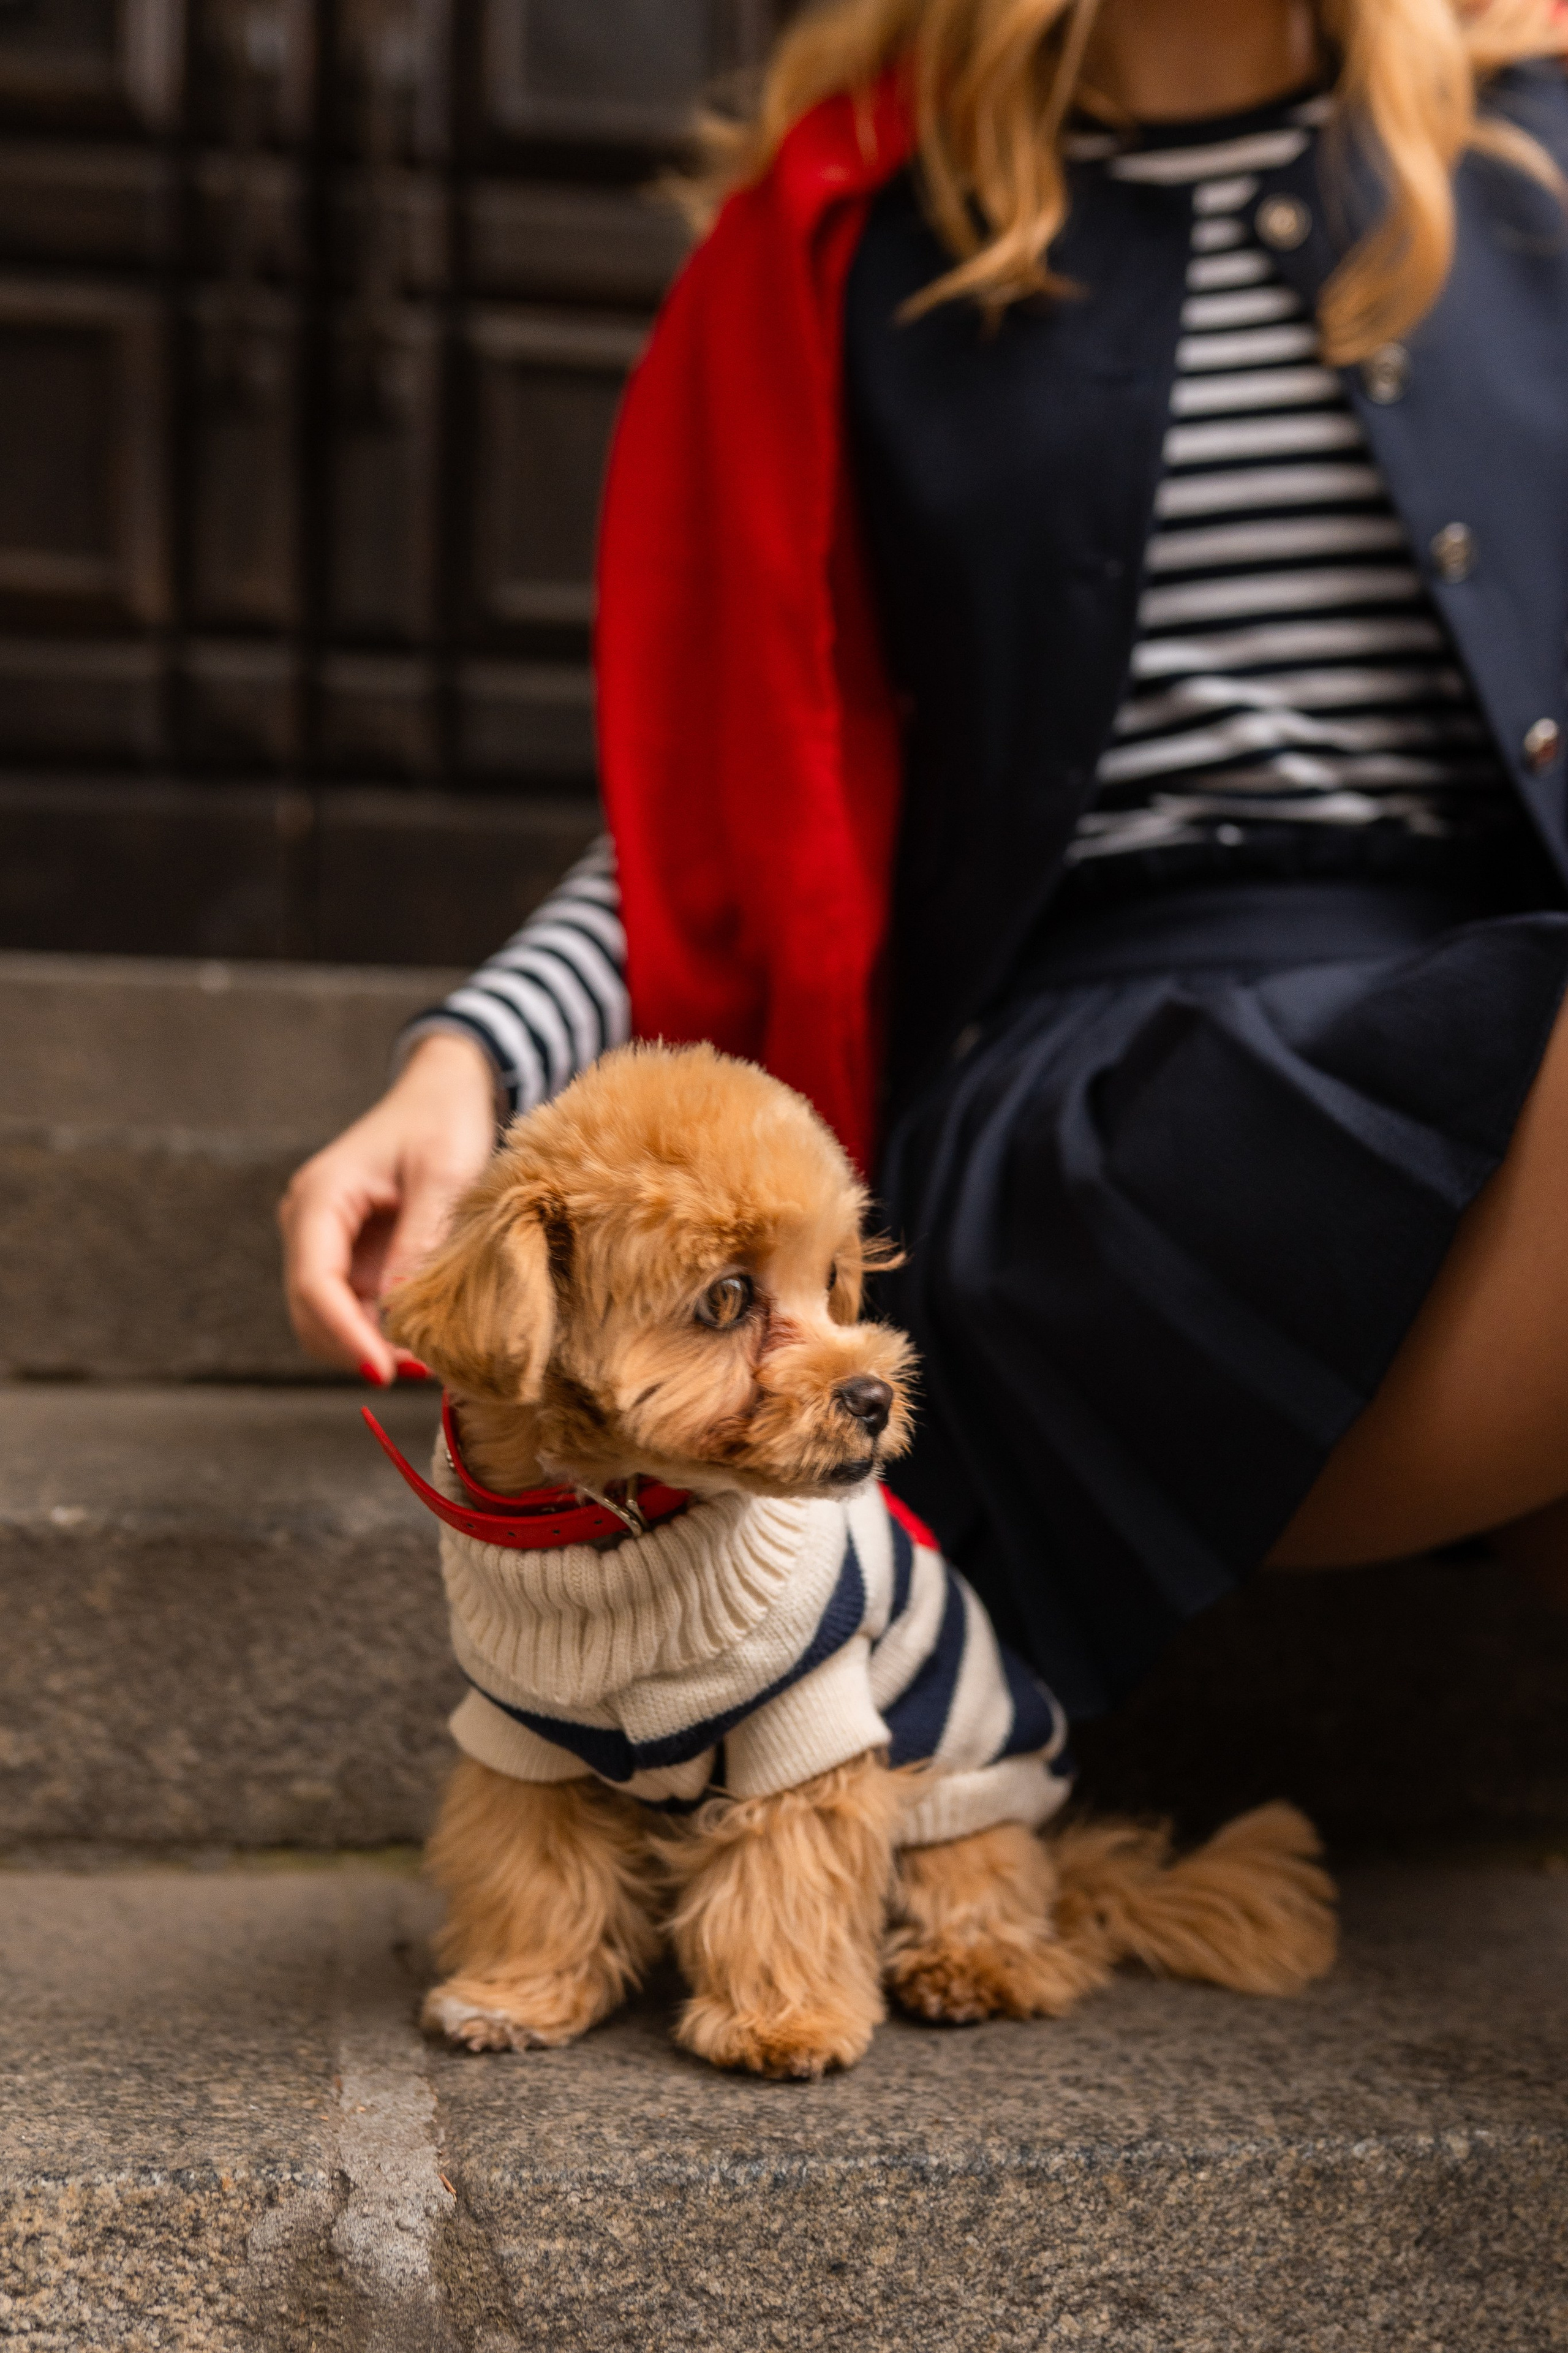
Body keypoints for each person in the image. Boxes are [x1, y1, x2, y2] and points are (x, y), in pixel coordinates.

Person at [281, 0, 1568, 1723]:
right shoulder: (850, 232)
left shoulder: (1533, 144)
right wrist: (472, 1061)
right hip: (1105, 1107)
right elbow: (748, 789)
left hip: (1509, 1018)